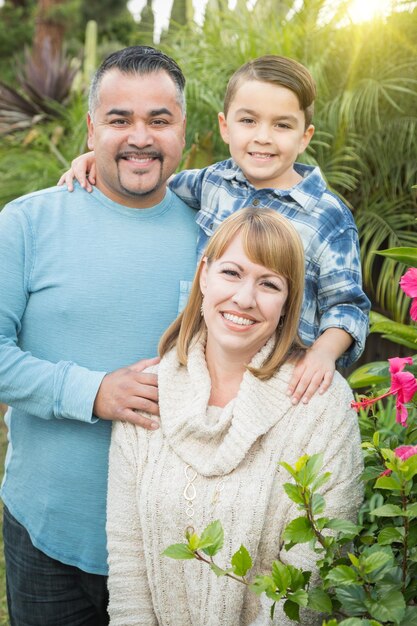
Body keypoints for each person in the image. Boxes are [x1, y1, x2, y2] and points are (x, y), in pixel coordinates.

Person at [0, 46, 199, 625]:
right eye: (120, 120)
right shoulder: (26, 224)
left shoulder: (216, 233)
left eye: (159, 120)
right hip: (48, 532)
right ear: (92, 129)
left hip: (175, 542)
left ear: (183, 130)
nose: (141, 137)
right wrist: (91, 392)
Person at [60, 54, 370, 406]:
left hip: (281, 386)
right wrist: (97, 160)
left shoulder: (327, 216)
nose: (263, 138)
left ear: (305, 136)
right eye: (248, 121)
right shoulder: (213, 183)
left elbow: (348, 306)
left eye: (282, 126)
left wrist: (324, 354)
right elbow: (150, 178)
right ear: (226, 127)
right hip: (203, 377)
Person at [106, 206, 364, 626]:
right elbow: (129, 564)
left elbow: (312, 571)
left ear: (288, 301)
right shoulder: (150, 391)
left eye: (269, 283)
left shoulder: (320, 403)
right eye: (231, 273)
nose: (245, 298)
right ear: (203, 274)